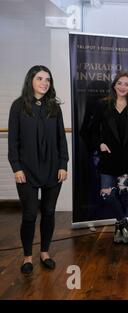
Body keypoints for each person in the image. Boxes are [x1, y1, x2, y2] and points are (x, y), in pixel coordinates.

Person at [8, 65, 69, 274]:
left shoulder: (54, 107)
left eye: (48, 80)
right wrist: (16, 167)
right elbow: (13, 141)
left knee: (49, 212)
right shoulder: (18, 106)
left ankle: (44, 252)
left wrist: (63, 164)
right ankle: (27, 257)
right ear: (30, 81)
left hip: (53, 169)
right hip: (26, 170)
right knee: (30, 215)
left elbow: (62, 139)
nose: (44, 83)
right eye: (40, 78)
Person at [91, 71, 128, 244]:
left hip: (127, 157)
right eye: (120, 83)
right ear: (114, 85)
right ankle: (125, 223)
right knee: (107, 193)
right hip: (108, 157)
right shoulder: (102, 105)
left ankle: (119, 230)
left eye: (126, 84)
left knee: (122, 194)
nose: (122, 87)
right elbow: (89, 130)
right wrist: (99, 144)